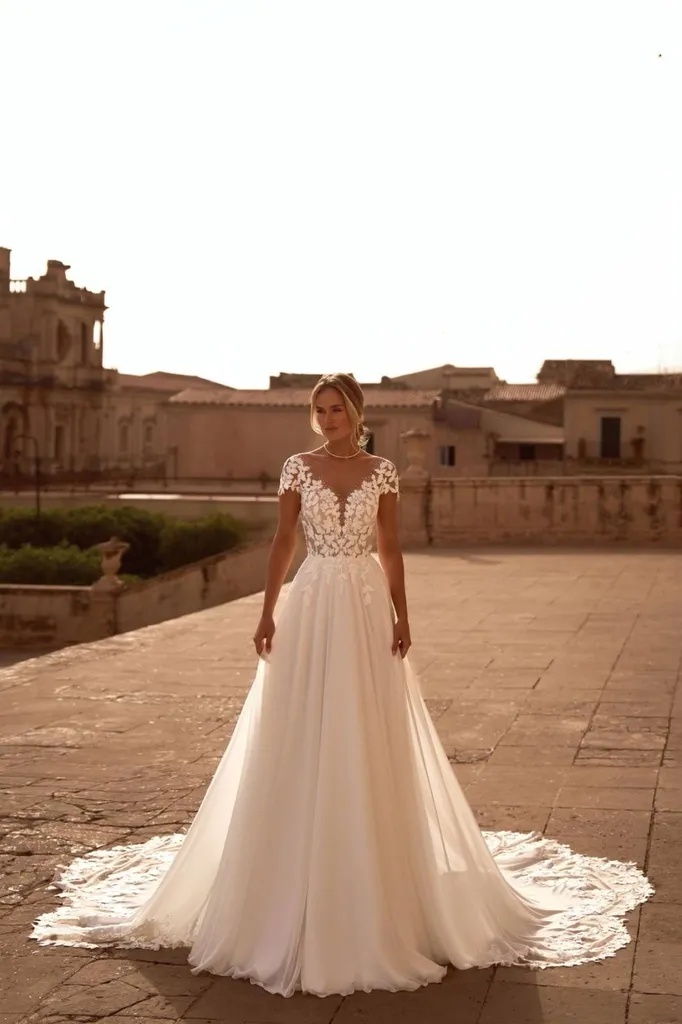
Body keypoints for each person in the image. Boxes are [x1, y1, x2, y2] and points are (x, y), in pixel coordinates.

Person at [31, 372, 652, 998]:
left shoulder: (382, 471)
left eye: (337, 409)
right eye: (320, 410)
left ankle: (372, 859)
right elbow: (283, 541)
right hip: (312, 601)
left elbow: (391, 547)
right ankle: (291, 859)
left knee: (368, 723)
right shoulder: (297, 467)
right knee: (299, 722)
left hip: (365, 605)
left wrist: (403, 615)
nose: (328, 419)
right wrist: (266, 611)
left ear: (356, 412)